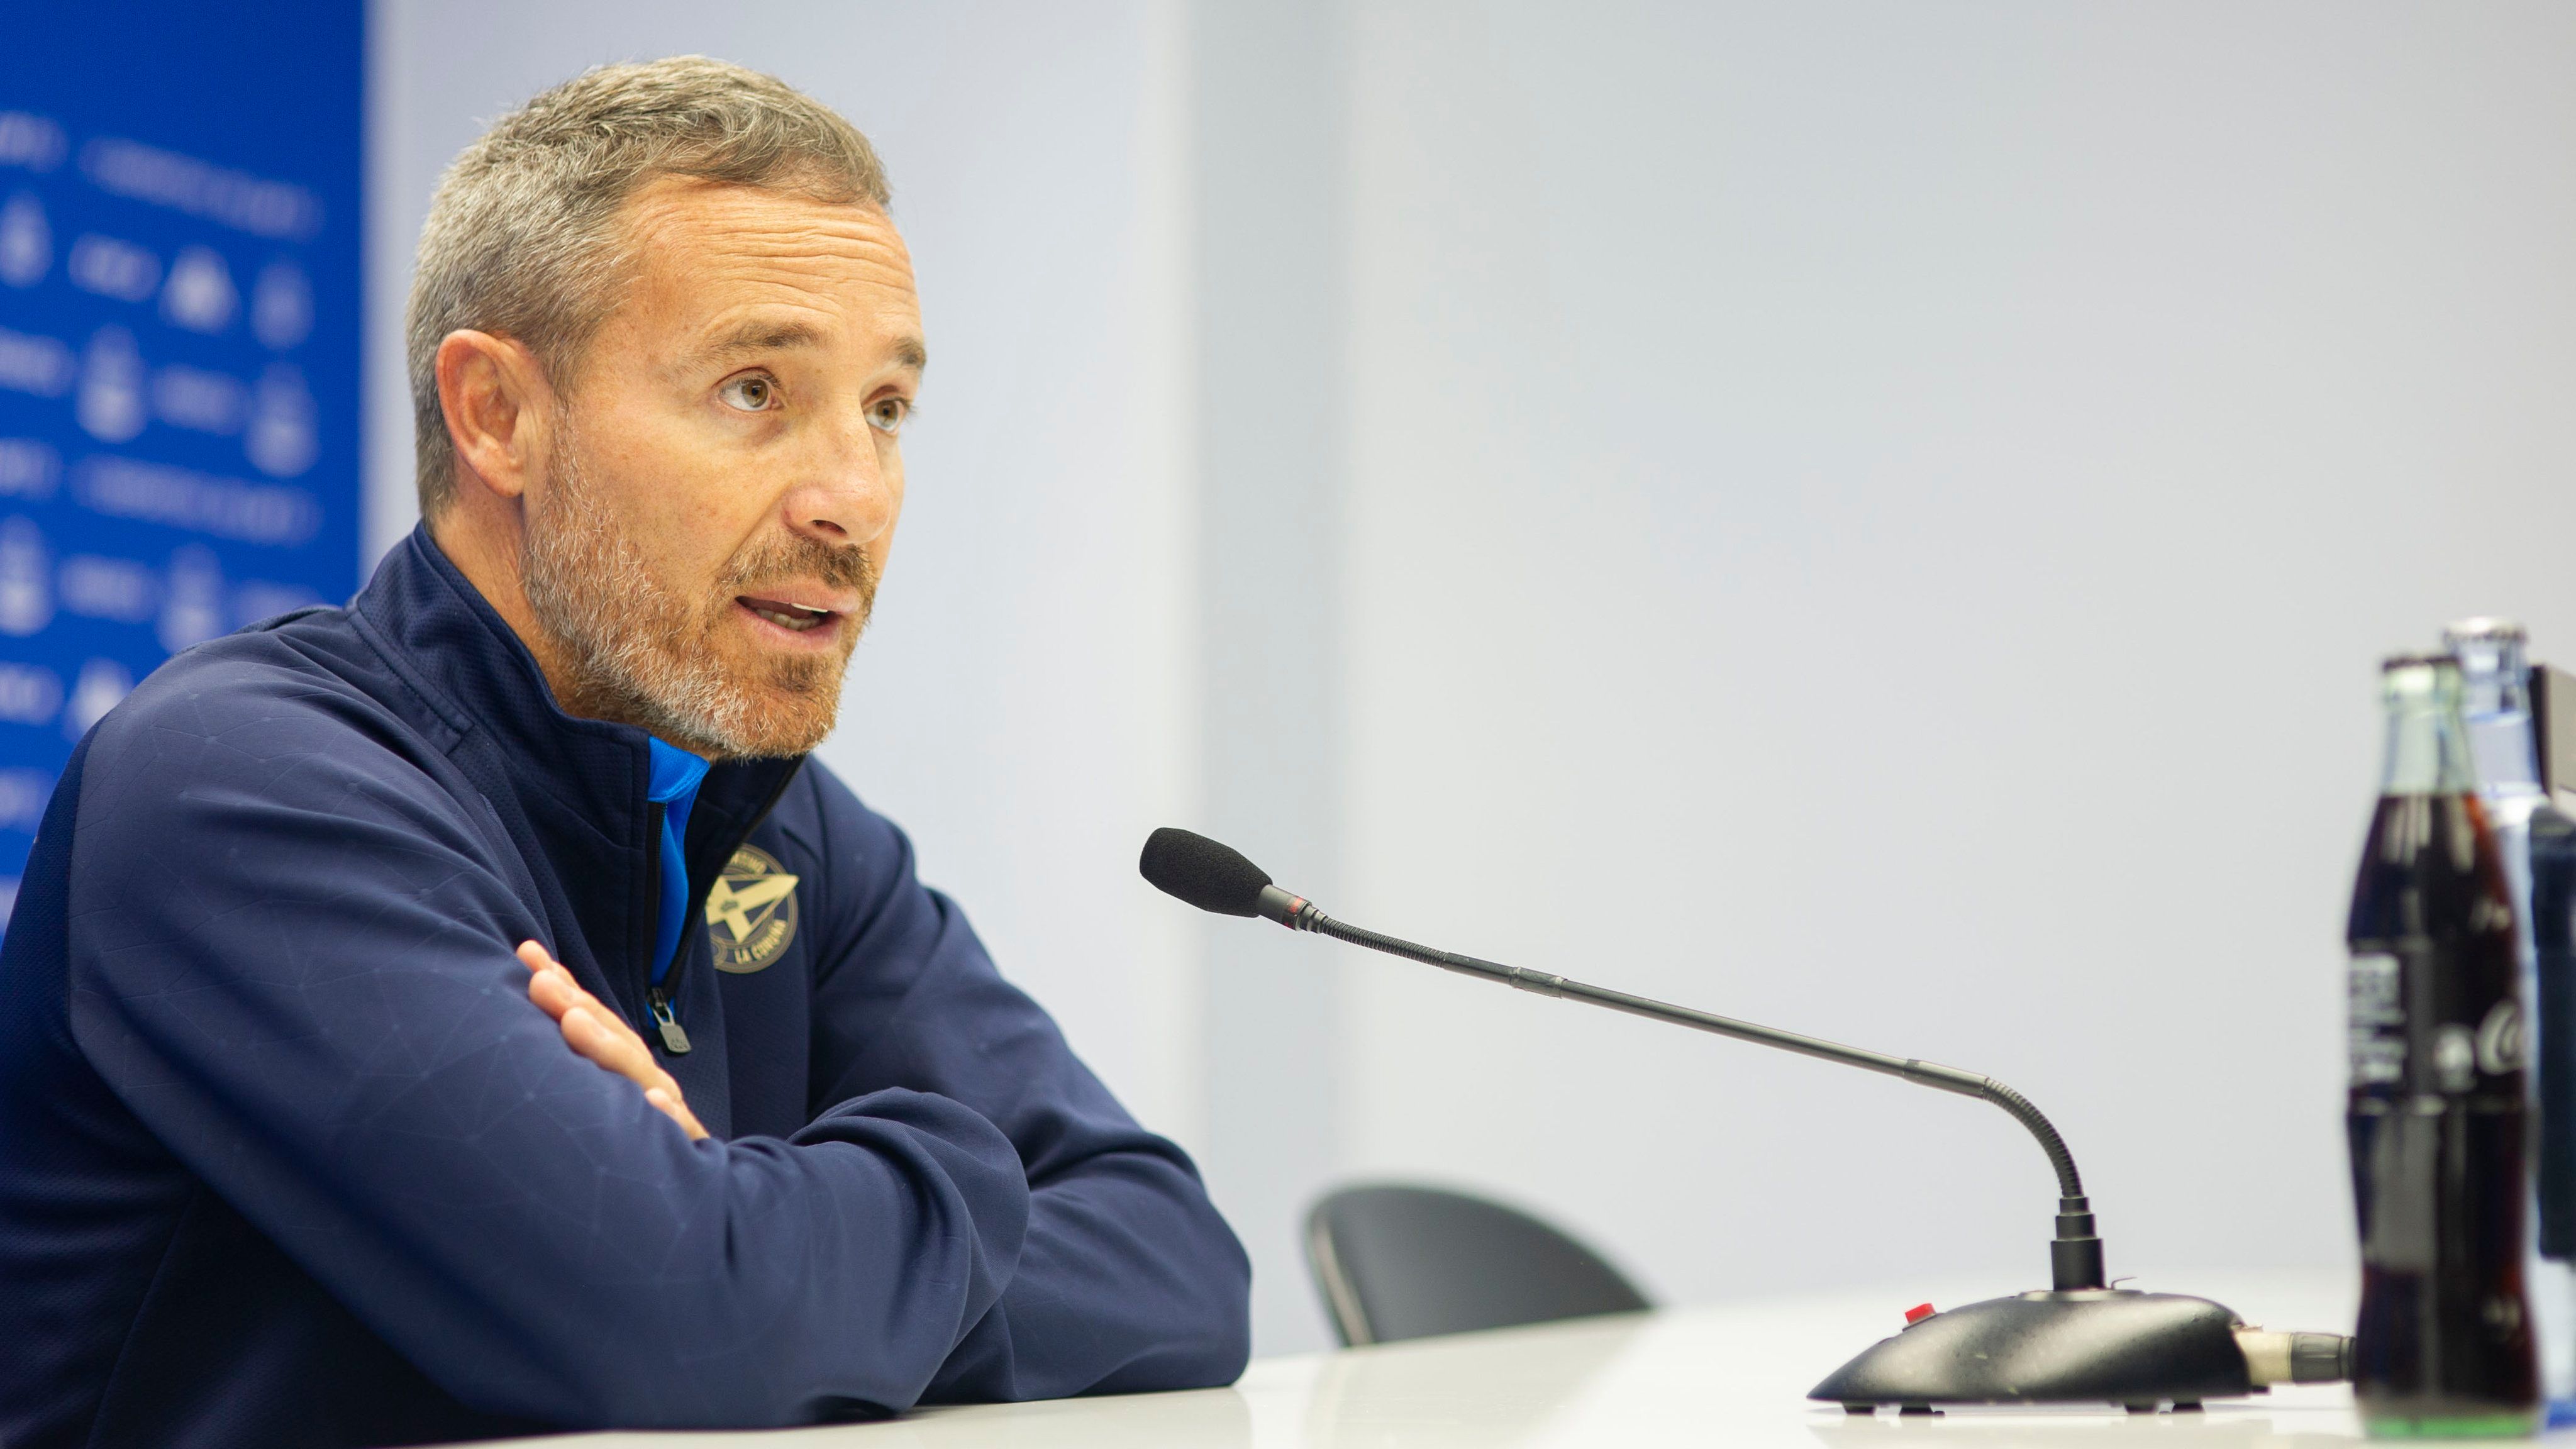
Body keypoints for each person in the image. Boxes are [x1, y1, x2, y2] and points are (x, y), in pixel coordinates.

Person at [0, 57, 1251, 1449]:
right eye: (754, 390)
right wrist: (922, 1187)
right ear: (498, 415)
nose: (854, 498)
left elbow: (1178, 1261)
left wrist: (748, 1219)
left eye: (887, 409)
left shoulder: (768, 818)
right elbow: (684, 1322)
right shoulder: (237, 783)